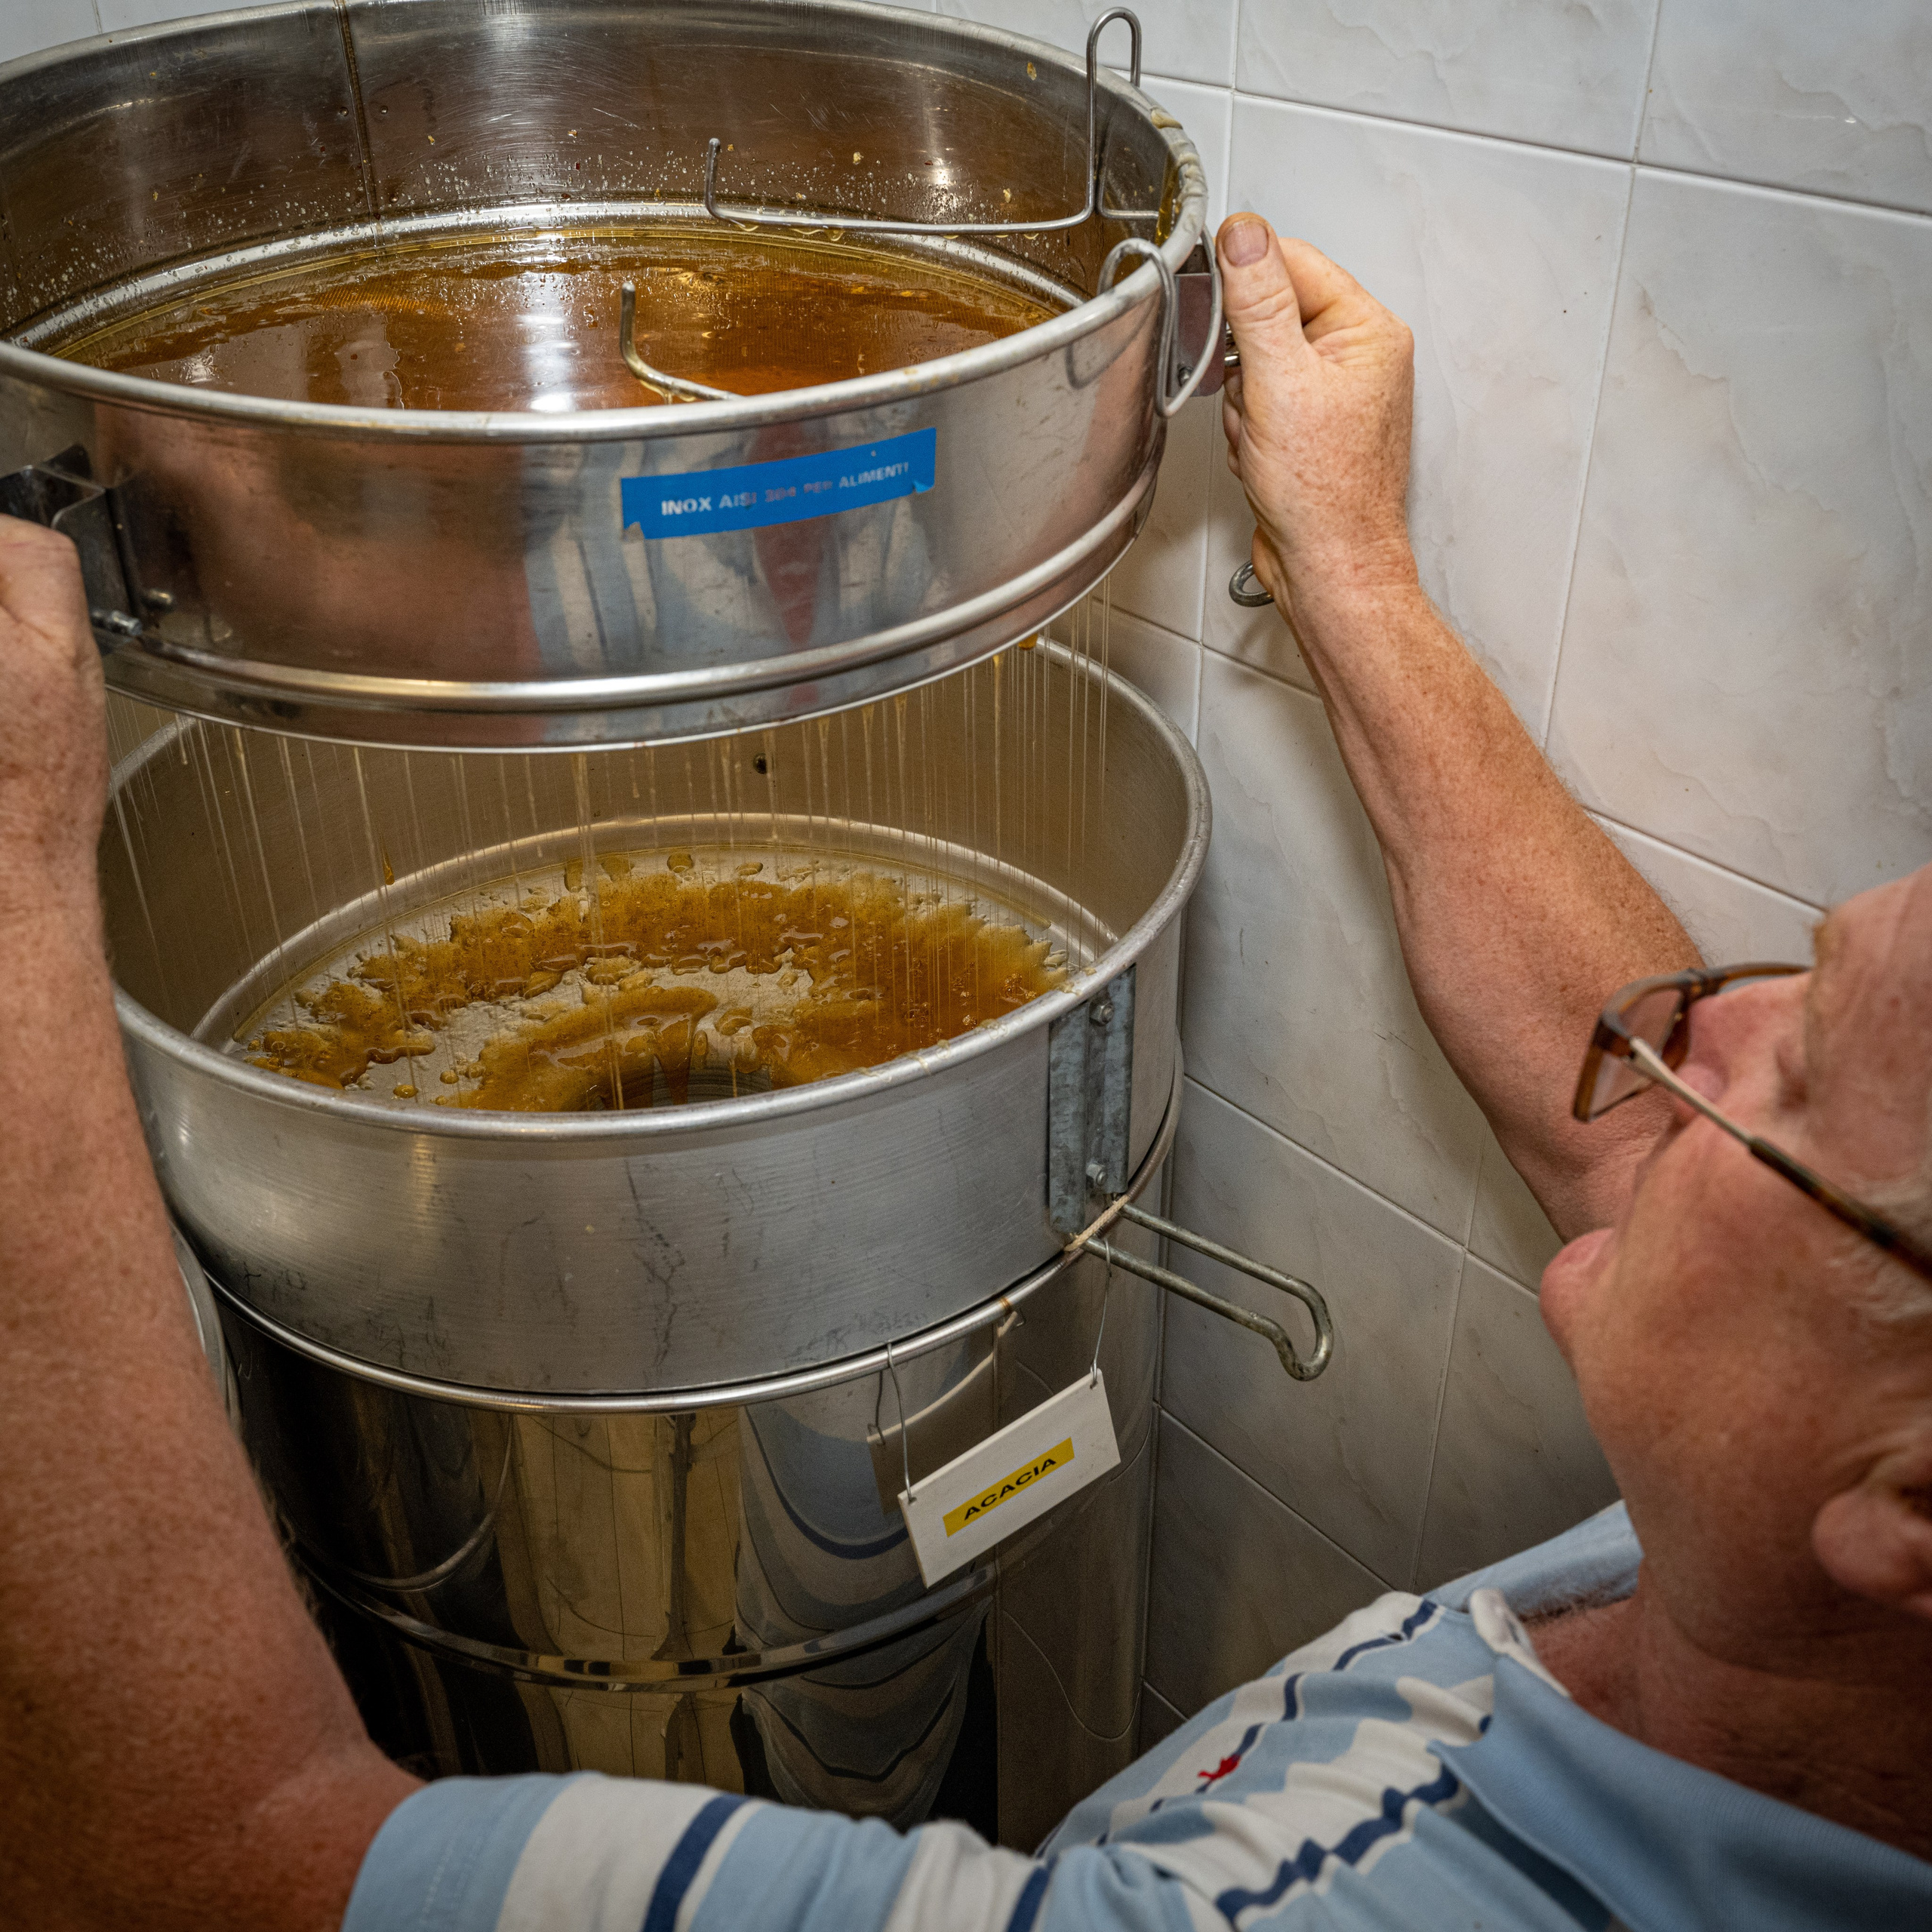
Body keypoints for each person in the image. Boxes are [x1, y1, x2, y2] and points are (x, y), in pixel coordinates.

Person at [2, 211, 1929, 1931]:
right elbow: (1610, 1093)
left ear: (1907, 1506)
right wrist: (1345, 559)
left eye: (1786, 1084)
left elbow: (195, 1854)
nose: (1683, 1035)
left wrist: (18, 862)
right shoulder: (1799, 1548)